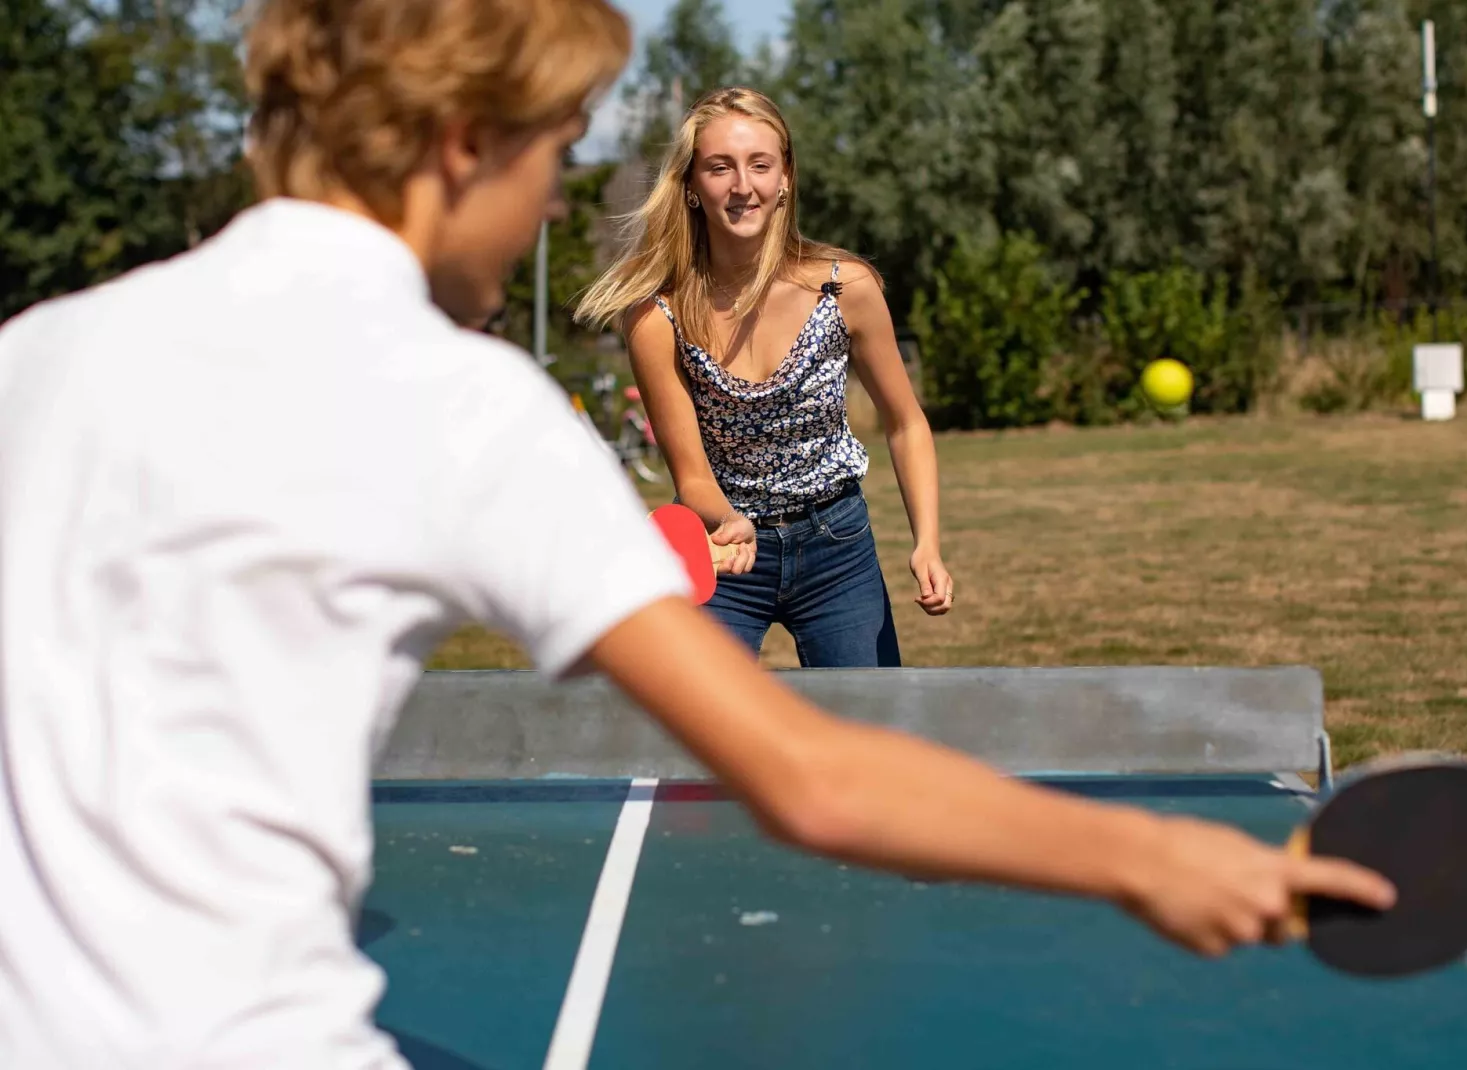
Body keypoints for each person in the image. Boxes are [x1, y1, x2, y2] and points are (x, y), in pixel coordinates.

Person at [0, 0, 1395, 1067]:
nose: (553, 207)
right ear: (455, 147)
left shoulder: (37, 354)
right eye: (551, 160)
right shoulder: (459, 403)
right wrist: (1155, 856)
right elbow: (813, 780)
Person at [574, 87, 947, 668]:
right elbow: (691, 475)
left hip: (838, 547)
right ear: (693, 186)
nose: (741, 185)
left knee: (862, 740)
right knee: (697, 747)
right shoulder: (655, 316)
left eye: (759, 165)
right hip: (723, 553)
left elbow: (906, 424)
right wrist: (729, 523)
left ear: (785, 179)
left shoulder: (846, 288)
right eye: (719, 167)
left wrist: (927, 541)